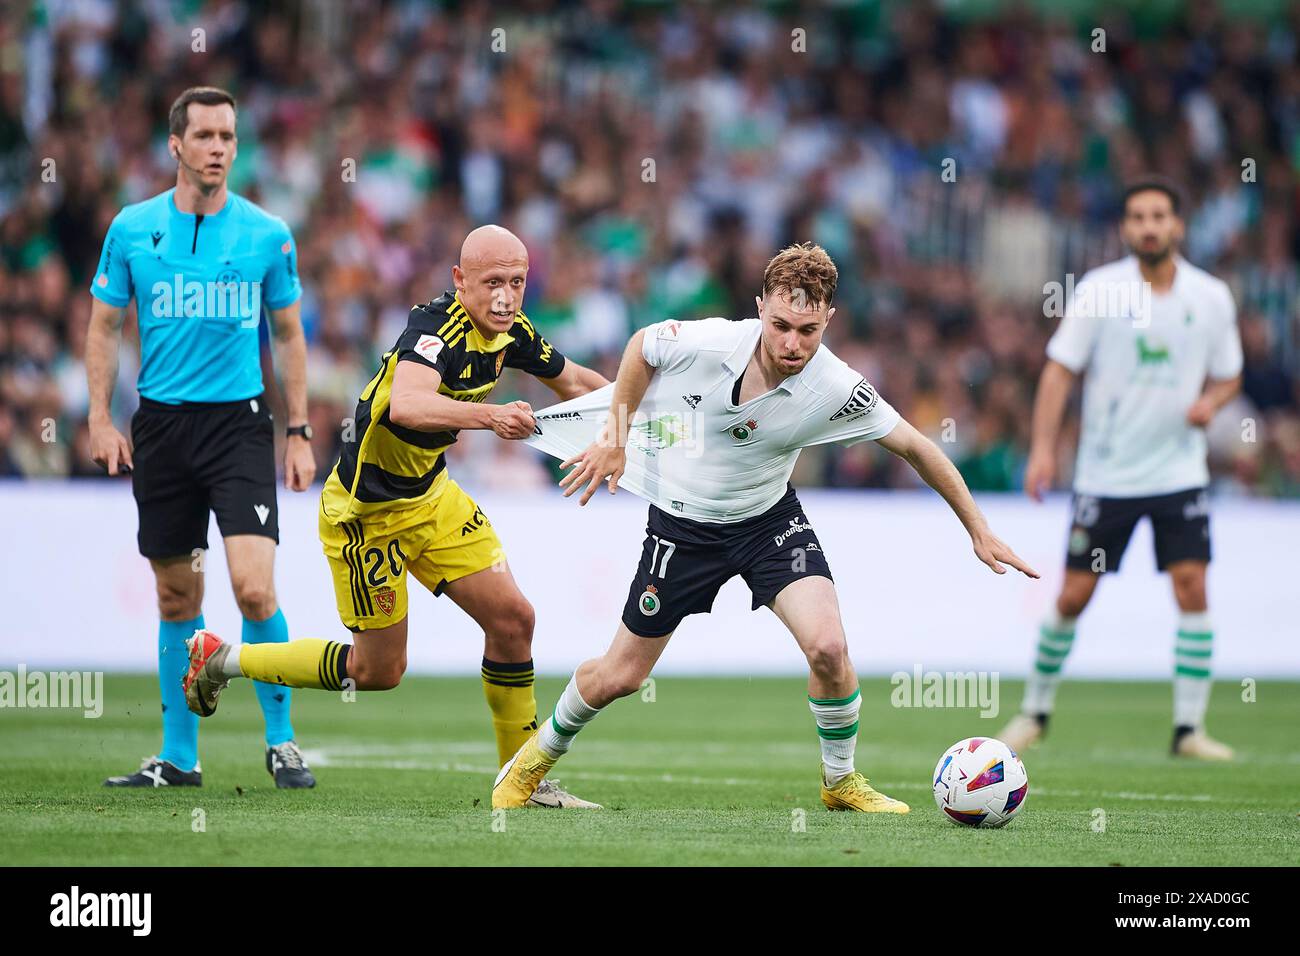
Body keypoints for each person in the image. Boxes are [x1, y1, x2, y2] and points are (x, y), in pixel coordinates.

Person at [494, 242, 1039, 811]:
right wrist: (615, 434)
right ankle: (528, 767)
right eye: (779, 324)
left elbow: (916, 447)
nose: (791, 343)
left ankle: (840, 783)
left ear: (829, 318)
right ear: (759, 308)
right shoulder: (708, 344)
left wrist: (977, 529)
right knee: (621, 676)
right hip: (683, 526)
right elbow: (641, 347)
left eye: (807, 329)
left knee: (828, 648)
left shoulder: (837, 387)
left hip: (768, 523)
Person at [183, 226, 611, 806]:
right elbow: (406, 402)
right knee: (379, 671)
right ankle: (223, 658)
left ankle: (523, 779)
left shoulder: (514, 333)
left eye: (517, 282)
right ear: (460, 282)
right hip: (367, 513)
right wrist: (490, 416)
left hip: (431, 496)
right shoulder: (435, 328)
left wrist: (632, 412)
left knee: (513, 621)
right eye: (492, 283)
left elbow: (577, 382)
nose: (506, 297)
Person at [88, 87, 317, 789]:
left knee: (253, 588)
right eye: (207, 136)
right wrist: (99, 418)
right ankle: (180, 759)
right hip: (160, 427)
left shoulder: (267, 234)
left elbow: (286, 334)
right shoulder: (131, 228)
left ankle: (281, 742)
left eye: (229, 136)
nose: (219, 148)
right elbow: (103, 327)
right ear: (176, 146)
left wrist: (299, 429)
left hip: (238, 428)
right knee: (175, 598)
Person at [1001, 177, 1243, 760]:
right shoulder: (1100, 291)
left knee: (1192, 587)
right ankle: (1034, 710)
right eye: (1137, 216)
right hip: (1106, 475)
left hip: (1179, 473)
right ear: (1126, 228)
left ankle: (1189, 729)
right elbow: (1060, 370)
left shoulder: (1210, 297)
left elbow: (1232, 371)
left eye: (1159, 215)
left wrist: (1213, 401)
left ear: (1178, 225)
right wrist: (1042, 448)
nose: (1149, 226)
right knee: (1075, 595)